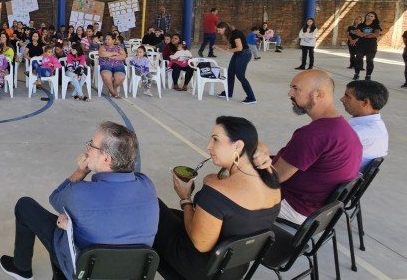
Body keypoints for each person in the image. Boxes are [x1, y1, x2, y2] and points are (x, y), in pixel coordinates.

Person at [0, 122, 158, 280]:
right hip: (132, 273)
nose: (87, 149)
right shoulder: (148, 186)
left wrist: (81, 171)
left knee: (25, 206)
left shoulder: (80, 193)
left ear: (106, 159)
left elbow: (55, 198)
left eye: (92, 145)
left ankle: (21, 269)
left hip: (84, 271)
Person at [154, 117, 281, 280]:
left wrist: (185, 199)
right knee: (170, 214)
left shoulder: (215, 193)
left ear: (238, 145)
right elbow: (254, 145)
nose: (209, 146)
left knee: (152, 209)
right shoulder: (271, 174)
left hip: (204, 270)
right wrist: (261, 147)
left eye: (216, 140)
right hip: (235, 266)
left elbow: (200, 245)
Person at [253, 70, 362, 224]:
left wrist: (258, 148)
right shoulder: (341, 126)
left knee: (220, 193)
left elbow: (274, 178)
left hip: (298, 207)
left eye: (296, 89)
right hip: (321, 210)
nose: (290, 93)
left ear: (319, 95)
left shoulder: (313, 135)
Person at [341, 80, 389, 169]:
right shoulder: (376, 125)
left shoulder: (359, 132)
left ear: (365, 102)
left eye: (347, 96)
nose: (342, 99)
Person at [216, 22, 256, 104]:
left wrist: (226, 51)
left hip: (244, 54)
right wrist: (218, 46)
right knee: (230, 73)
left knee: (240, 76)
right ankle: (228, 93)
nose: (218, 32)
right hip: (238, 54)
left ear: (224, 28)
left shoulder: (236, 34)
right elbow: (231, 46)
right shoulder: (230, 34)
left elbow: (239, 48)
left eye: (219, 30)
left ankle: (251, 98)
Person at [354, 11, 382, 80]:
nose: (369, 17)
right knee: (358, 59)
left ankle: (368, 75)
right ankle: (356, 74)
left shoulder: (376, 26)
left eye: (371, 16)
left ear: (374, 18)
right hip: (360, 45)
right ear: (366, 16)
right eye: (368, 15)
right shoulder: (360, 25)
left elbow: (376, 34)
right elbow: (357, 33)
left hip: (371, 46)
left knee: (369, 60)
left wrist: (363, 34)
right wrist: (368, 34)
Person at [98, 34, 127, 98]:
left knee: (120, 77)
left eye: (108, 39)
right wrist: (114, 53)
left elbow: (123, 56)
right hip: (106, 64)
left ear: (113, 40)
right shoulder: (102, 47)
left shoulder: (119, 47)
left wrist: (111, 57)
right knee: (106, 75)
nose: (106, 41)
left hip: (118, 65)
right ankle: (113, 92)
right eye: (106, 39)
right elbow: (102, 54)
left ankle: (111, 90)